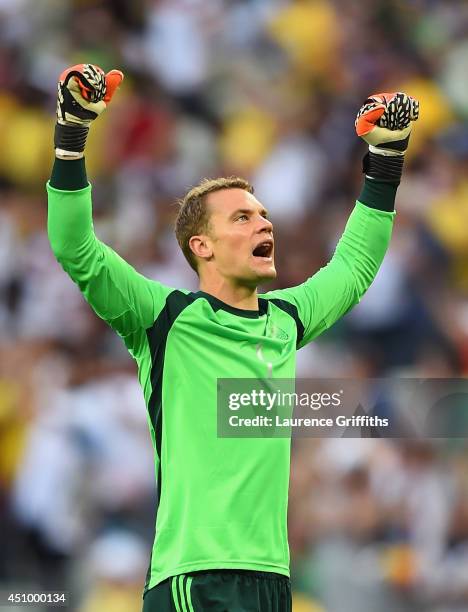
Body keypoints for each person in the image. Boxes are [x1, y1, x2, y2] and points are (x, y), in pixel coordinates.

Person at [47, 64, 419, 612]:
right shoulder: (163, 318)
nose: (264, 225)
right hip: (196, 577)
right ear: (202, 246)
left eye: (264, 215)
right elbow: (75, 246)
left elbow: (356, 265)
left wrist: (385, 162)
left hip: (272, 580)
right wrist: (73, 133)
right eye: (242, 218)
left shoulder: (286, 319)